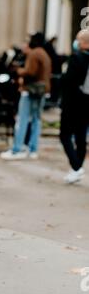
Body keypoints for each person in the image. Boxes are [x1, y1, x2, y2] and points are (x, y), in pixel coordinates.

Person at [0, 33, 51, 160]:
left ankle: (17, 149)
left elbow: (30, 72)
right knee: (36, 120)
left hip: (30, 90)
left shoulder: (33, 54)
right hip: (42, 90)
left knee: (22, 120)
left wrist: (19, 71)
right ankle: (32, 149)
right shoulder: (45, 54)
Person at [59, 29, 89, 184]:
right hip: (86, 105)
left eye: (78, 39)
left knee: (65, 135)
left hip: (72, 104)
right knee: (81, 138)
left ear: (84, 42)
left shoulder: (76, 58)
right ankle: (77, 168)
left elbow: (67, 80)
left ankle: (76, 167)